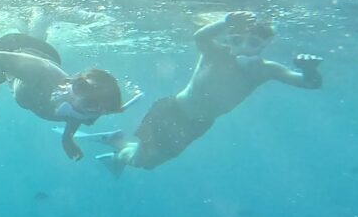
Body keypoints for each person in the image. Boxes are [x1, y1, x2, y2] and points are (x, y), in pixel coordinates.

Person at [99, 11, 322, 176]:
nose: (244, 46)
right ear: (229, 39)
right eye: (237, 40)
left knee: (149, 163)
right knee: (143, 160)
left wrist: (310, 70)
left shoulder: (265, 69)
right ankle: (118, 146)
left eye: (253, 42)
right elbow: (200, 37)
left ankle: (117, 142)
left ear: (265, 44)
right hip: (172, 111)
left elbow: (309, 84)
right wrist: (225, 21)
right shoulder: (216, 53)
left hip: (198, 124)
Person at [0, 14, 137, 160]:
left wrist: (67, 138)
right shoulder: (41, 74)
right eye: (81, 87)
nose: (79, 100)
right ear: (75, 81)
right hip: (14, 48)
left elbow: (77, 115)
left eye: (93, 105)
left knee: (34, 40)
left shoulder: (82, 111)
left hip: (42, 54)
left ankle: (33, 22)